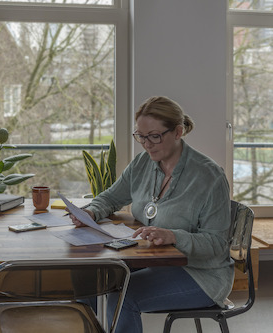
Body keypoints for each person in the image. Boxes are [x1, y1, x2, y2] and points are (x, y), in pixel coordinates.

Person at [69, 96, 233, 332]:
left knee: (122, 297)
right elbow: (111, 197)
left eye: (154, 136)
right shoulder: (142, 164)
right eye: (141, 136)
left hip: (201, 274)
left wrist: (174, 236)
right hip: (154, 260)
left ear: (178, 132)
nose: (147, 144)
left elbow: (217, 244)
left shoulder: (209, 177)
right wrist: (92, 212)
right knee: (87, 277)